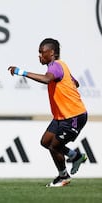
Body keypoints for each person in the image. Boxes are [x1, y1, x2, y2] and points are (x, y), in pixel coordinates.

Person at [7, 38, 88, 187]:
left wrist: (21, 72)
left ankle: (63, 177)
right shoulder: (59, 66)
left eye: (41, 52)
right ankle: (76, 157)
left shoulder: (56, 66)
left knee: (54, 146)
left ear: (51, 53)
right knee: (45, 141)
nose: (39, 55)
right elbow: (76, 83)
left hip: (73, 116)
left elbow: (46, 80)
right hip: (61, 116)